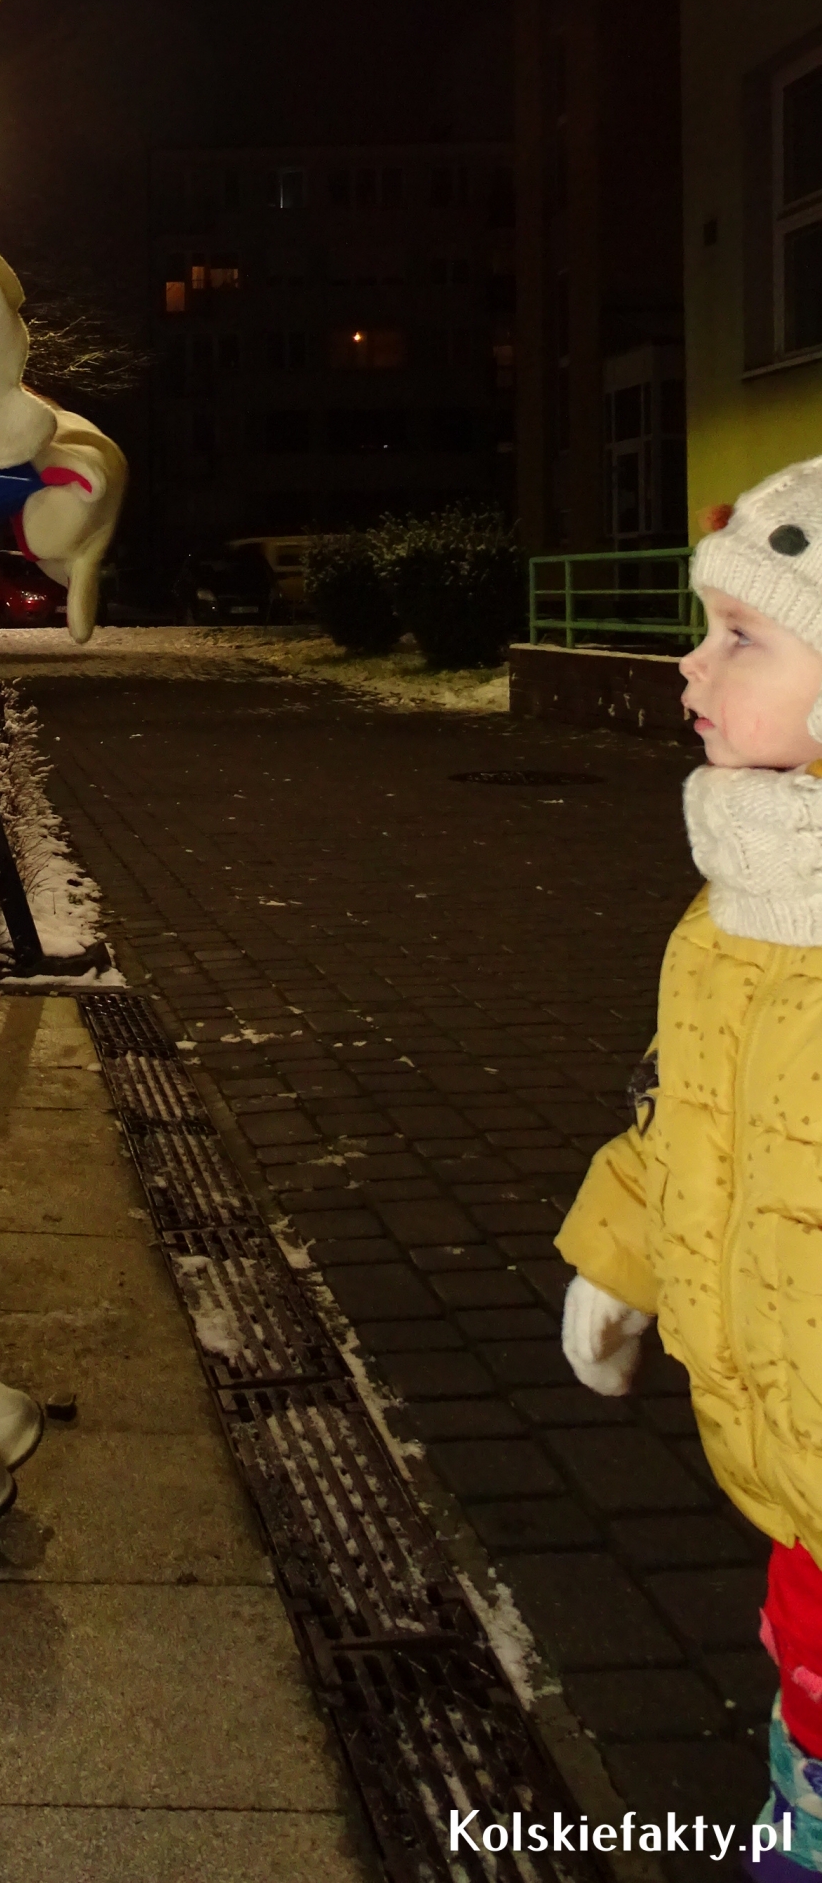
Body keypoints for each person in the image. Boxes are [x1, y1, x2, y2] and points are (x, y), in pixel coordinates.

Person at [557, 459, 822, 1877]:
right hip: (794, 1492)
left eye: (742, 637)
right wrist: (621, 1258)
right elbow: (684, 1113)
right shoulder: (732, 906)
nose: (690, 665)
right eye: (702, 627)